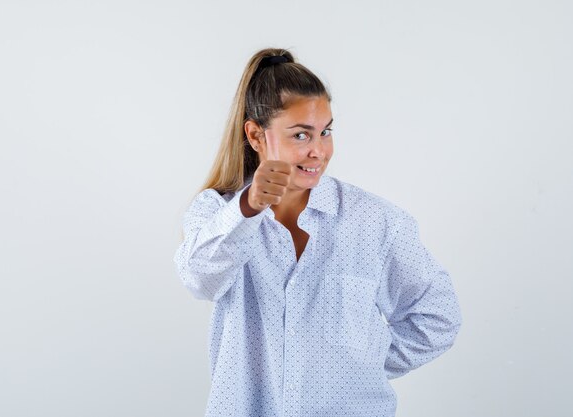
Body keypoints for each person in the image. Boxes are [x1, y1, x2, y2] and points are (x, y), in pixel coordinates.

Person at [173, 47, 462, 417]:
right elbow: (198, 280)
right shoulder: (216, 211)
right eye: (300, 135)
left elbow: (437, 315)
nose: (319, 151)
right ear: (256, 135)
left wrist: (360, 366)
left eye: (325, 132)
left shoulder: (375, 221)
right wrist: (248, 209)